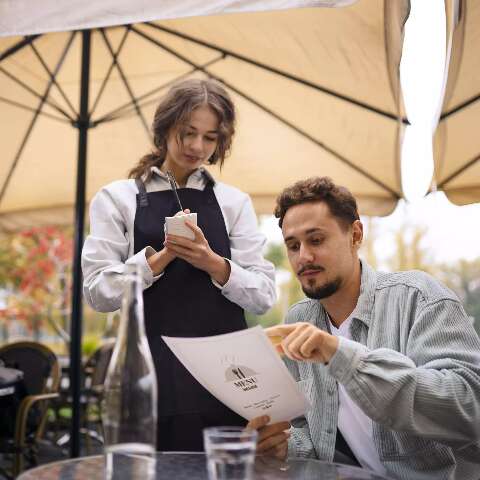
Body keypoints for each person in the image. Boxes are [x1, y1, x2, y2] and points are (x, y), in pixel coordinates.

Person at [81, 78, 276, 451]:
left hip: (228, 378)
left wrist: (215, 264)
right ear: (166, 126)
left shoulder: (234, 203)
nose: (196, 146)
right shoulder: (116, 198)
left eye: (209, 137)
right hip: (150, 374)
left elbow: (264, 296)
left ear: (221, 141)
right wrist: (159, 260)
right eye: (187, 133)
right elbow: (97, 292)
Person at [249, 177, 480, 479]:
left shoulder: (418, 297)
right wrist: (283, 447)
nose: (303, 256)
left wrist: (341, 355)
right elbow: (313, 434)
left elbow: (469, 406)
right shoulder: (298, 319)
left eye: (316, 240)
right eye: (293, 246)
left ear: (355, 234)